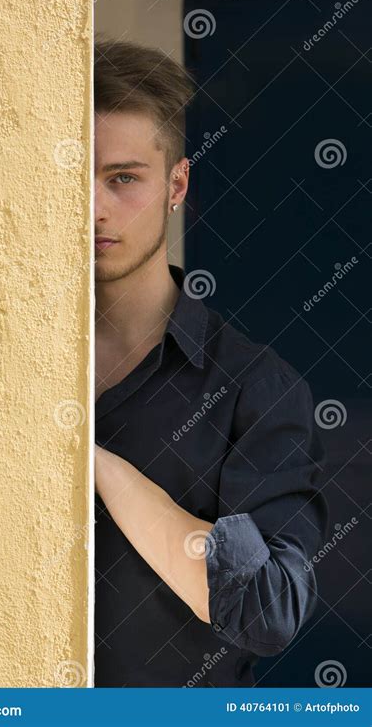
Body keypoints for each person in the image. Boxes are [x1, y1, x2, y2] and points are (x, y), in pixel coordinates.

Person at [93, 36, 329, 687]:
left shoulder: (255, 388)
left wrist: (94, 464)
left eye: (123, 179)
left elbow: (266, 611)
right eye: (70, 177)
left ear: (177, 185)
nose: (94, 209)